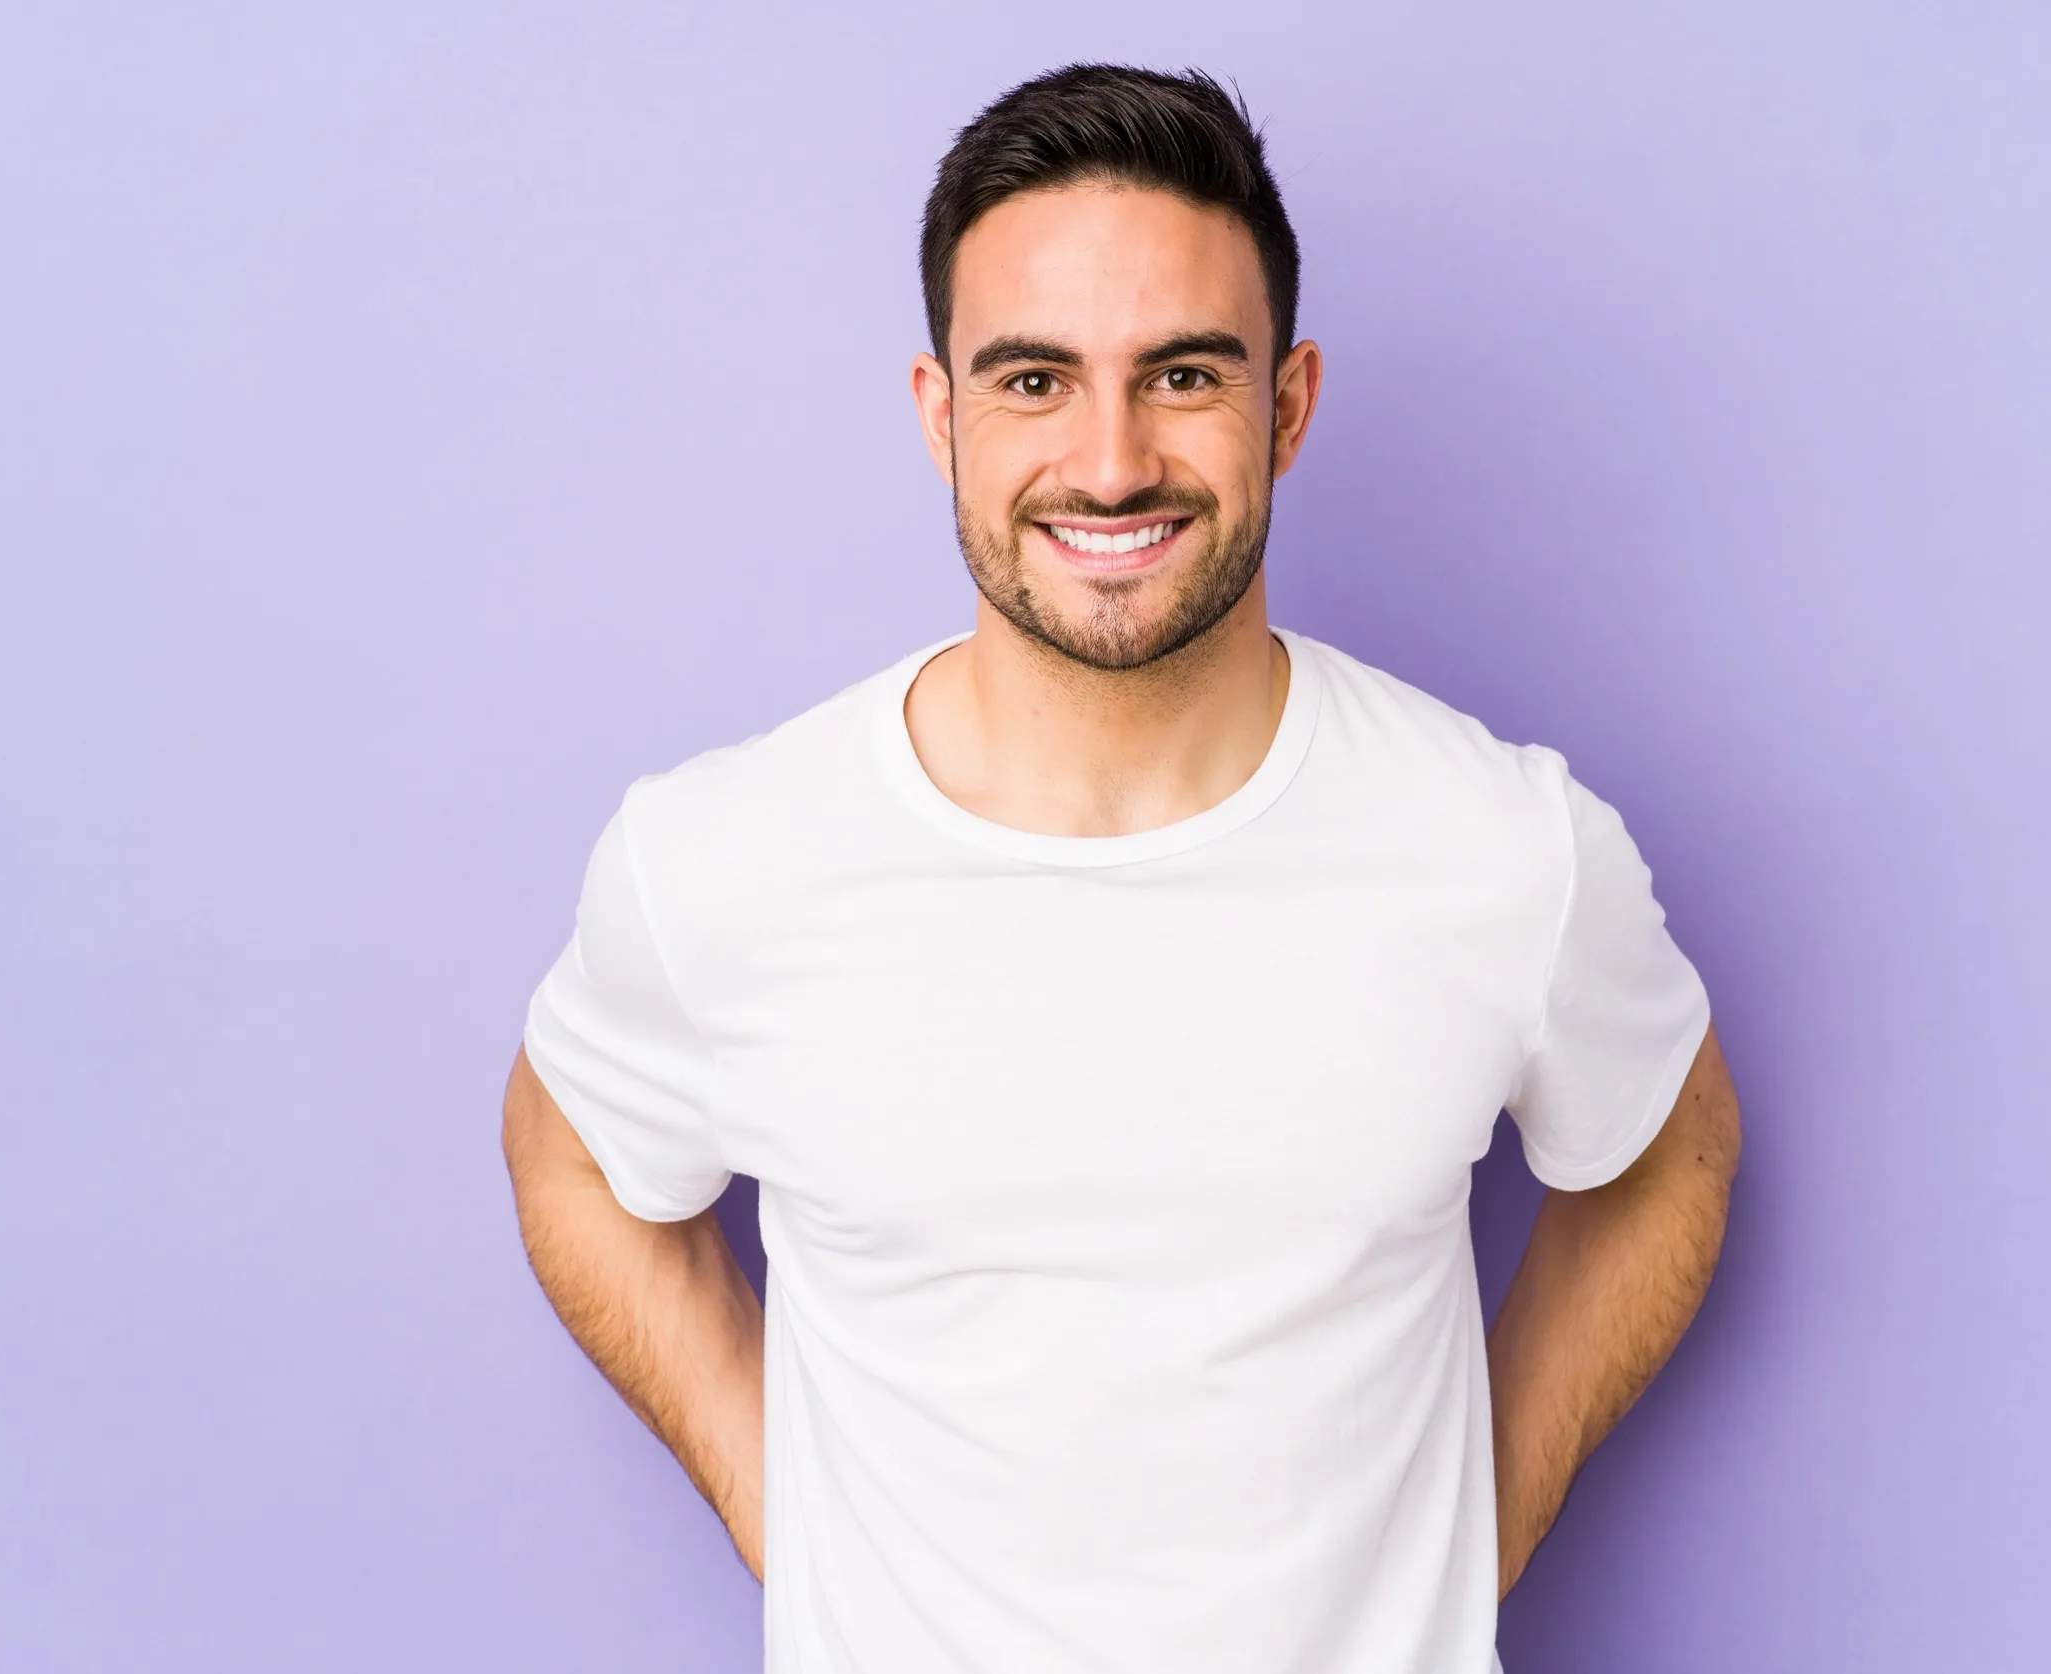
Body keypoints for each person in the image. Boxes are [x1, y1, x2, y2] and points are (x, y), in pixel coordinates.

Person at [501, 63, 1740, 1674]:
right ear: (941, 415)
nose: (1107, 463)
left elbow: (1672, 1150)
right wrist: (781, 1507)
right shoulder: (726, 862)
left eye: (1181, 374)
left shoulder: (1502, 849)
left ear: (1286, 405)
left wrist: (1467, 1533)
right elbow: (568, 1152)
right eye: (1032, 380)